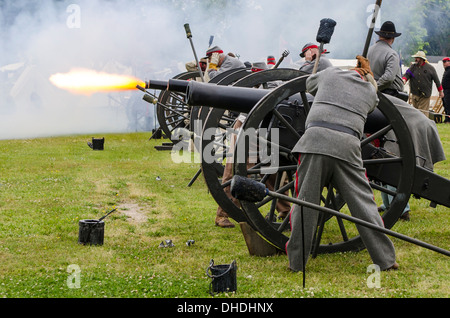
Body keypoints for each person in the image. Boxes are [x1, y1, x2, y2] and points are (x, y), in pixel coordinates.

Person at [286, 56, 398, 272]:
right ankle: (385, 260)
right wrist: (370, 82)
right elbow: (374, 103)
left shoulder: (329, 74)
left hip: (315, 140)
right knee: (364, 204)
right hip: (347, 145)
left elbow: (310, 84)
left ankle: (297, 263)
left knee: (305, 203)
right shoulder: (368, 90)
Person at [214, 61, 290, 227]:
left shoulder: (270, 87)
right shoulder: (258, 89)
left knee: (272, 173)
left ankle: (284, 210)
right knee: (235, 171)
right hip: (246, 129)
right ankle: (222, 214)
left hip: (267, 133)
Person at [367, 21, 405, 99]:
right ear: (393, 38)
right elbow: (388, 78)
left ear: (379, 36)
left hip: (373, 93)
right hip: (389, 95)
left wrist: (372, 88)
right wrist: (375, 88)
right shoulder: (392, 54)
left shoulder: (369, 50)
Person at [402, 51, 444, 117]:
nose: (415, 59)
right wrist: (404, 79)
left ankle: (423, 126)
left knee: (422, 114)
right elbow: (407, 74)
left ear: (422, 59)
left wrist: (440, 91)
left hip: (425, 95)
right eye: (415, 58)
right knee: (416, 112)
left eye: (417, 58)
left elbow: (437, 81)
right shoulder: (413, 67)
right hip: (415, 94)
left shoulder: (430, 68)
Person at [441, 57, 450, 123]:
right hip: (445, 90)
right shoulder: (446, 70)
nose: (444, 63)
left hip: (448, 90)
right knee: (445, 104)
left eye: (445, 61)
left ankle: (448, 119)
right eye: (443, 62)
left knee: (448, 105)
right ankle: (447, 118)